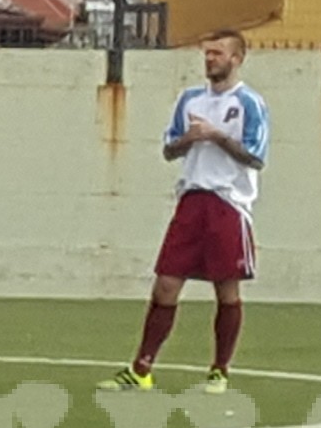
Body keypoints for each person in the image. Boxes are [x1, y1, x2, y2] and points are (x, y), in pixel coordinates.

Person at [113, 26, 271, 394]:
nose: (210, 59)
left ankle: (219, 369)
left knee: (226, 289)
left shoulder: (249, 103)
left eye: (217, 53)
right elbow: (169, 150)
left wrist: (217, 136)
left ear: (236, 58)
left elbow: (256, 157)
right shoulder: (190, 100)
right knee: (166, 284)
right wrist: (190, 138)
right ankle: (142, 368)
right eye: (207, 53)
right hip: (191, 199)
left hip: (228, 203)